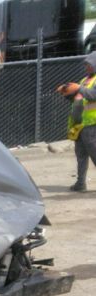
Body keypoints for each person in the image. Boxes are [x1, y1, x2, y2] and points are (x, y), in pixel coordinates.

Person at [57, 52, 96, 192]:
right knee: (80, 155)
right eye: (85, 65)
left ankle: (80, 183)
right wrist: (66, 93)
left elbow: (93, 95)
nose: (86, 67)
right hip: (79, 124)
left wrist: (78, 88)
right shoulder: (84, 80)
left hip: (92, 124)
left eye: (89, 65)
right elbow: (77, 99)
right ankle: (80, 183)